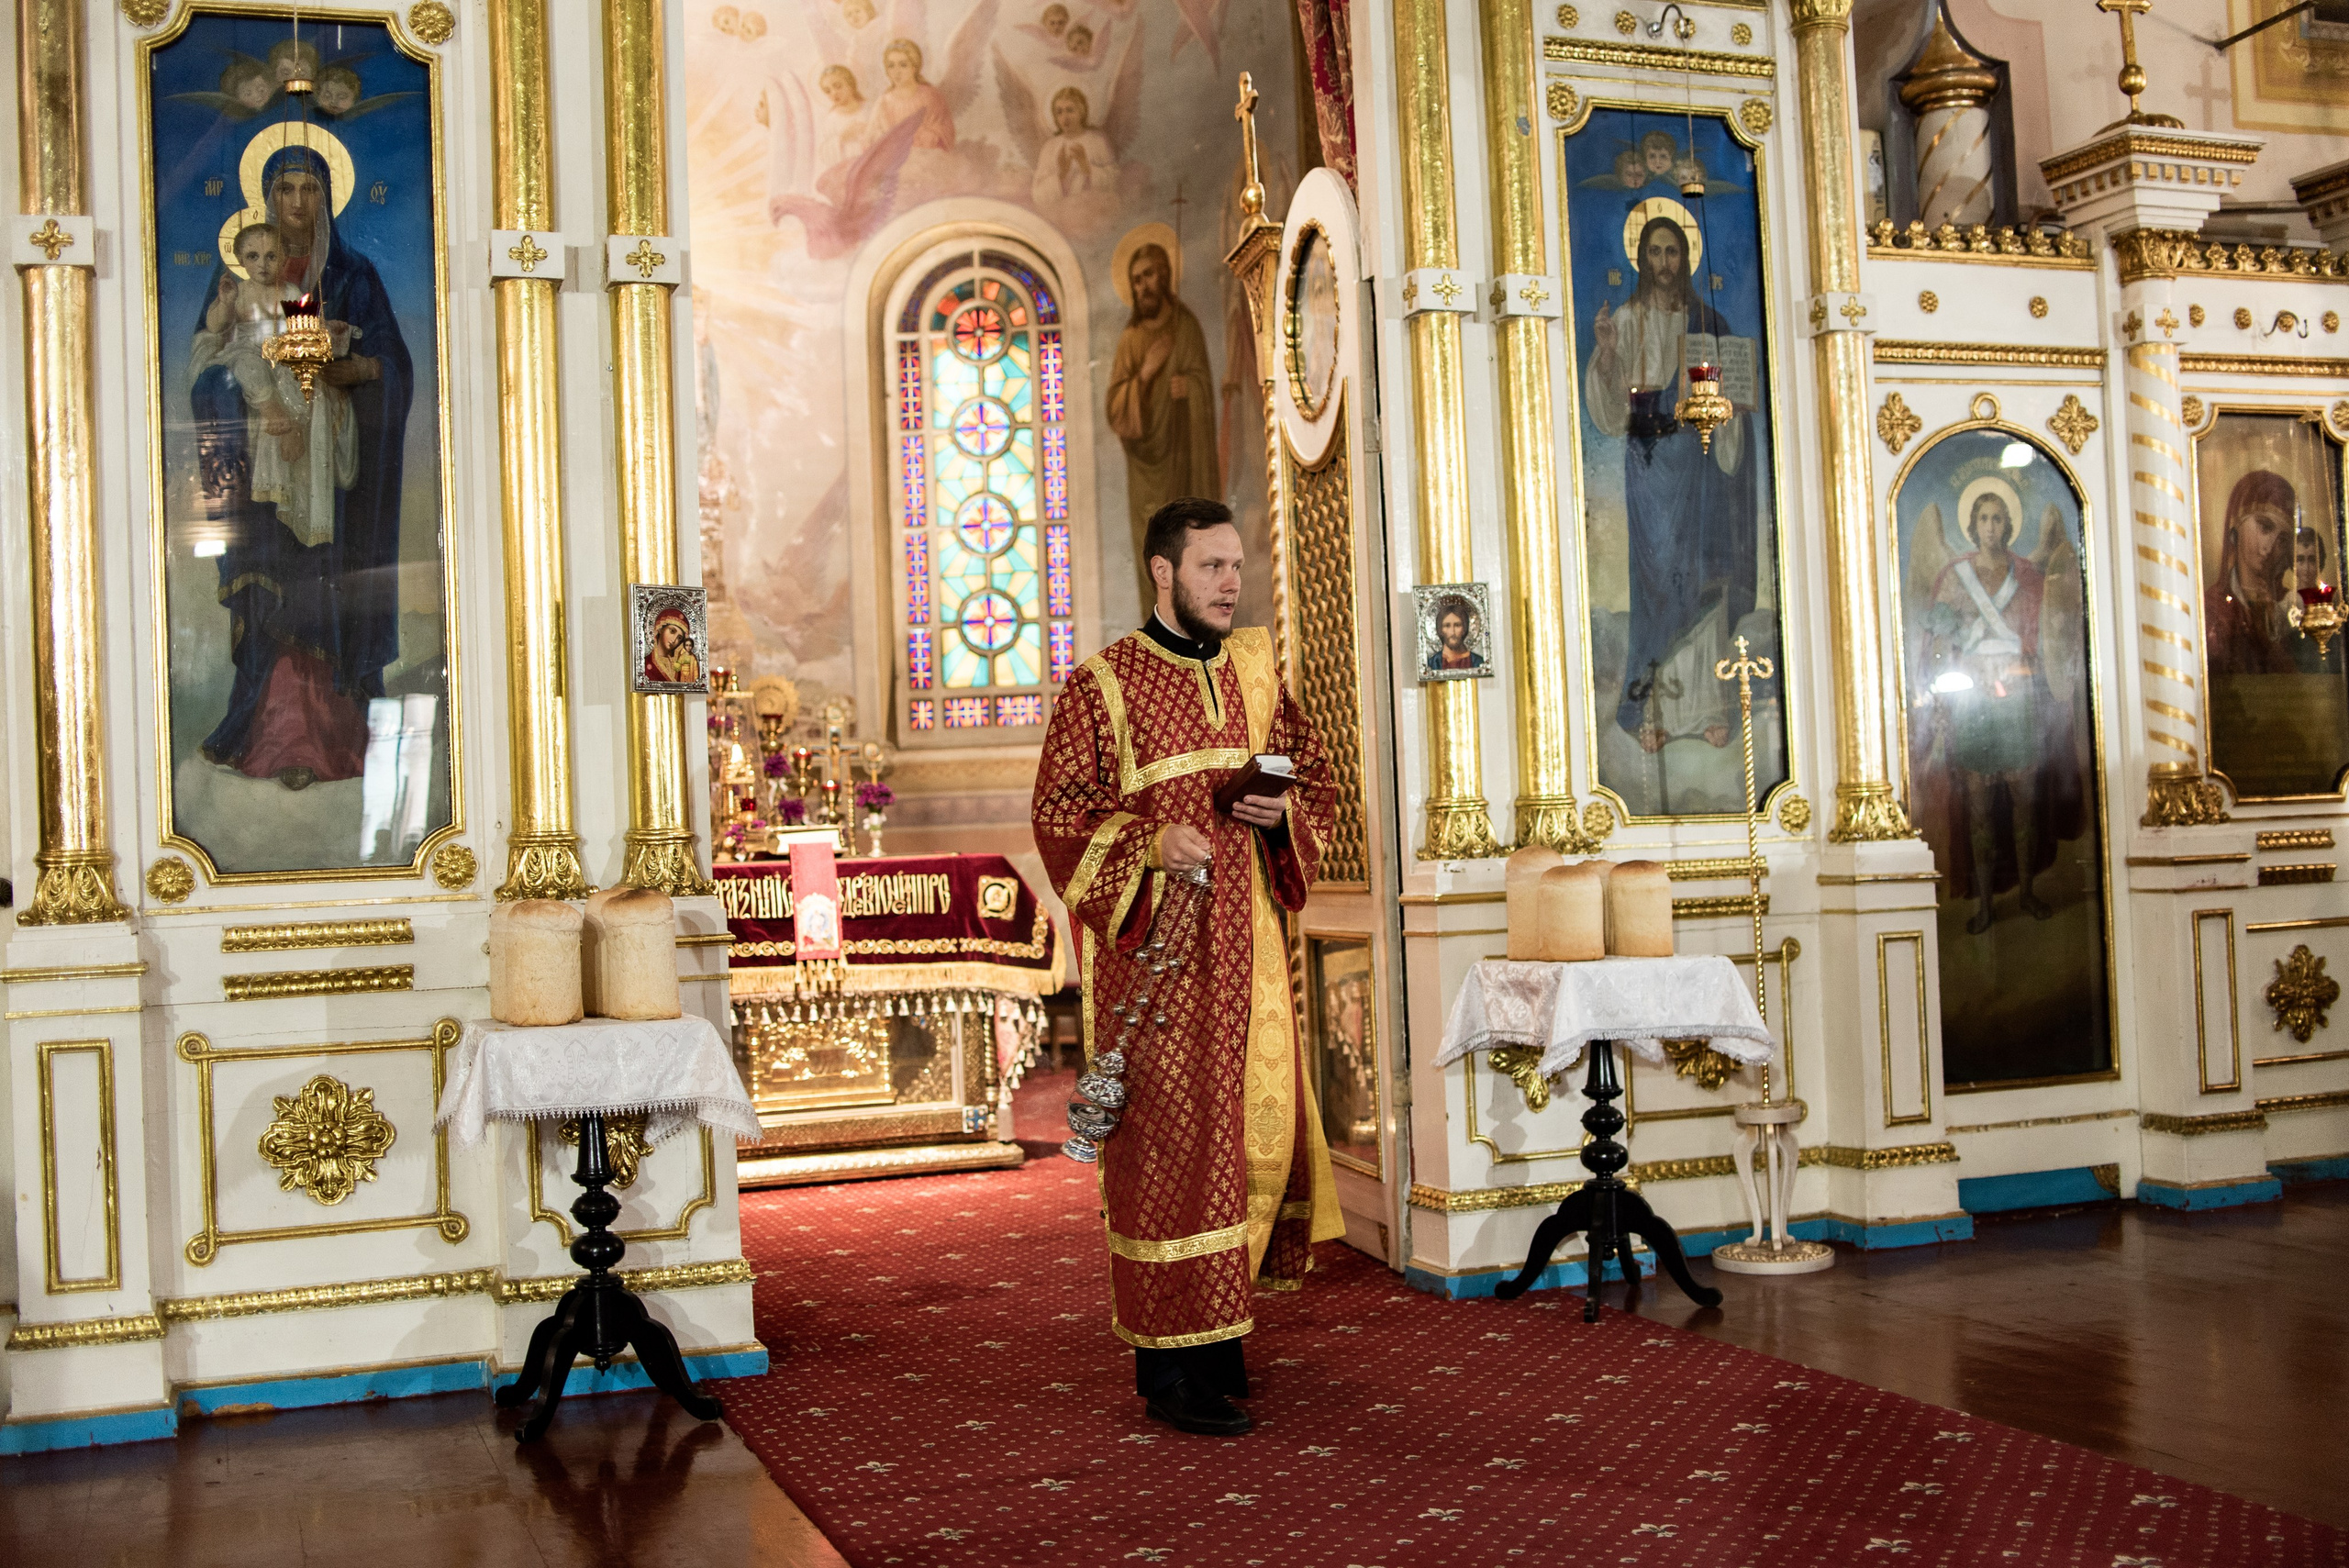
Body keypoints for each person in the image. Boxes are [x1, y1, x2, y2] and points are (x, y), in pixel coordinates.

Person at [1030, 497, 1341, 1439]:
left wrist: (1274, 809)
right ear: (1163, 572)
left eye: (1236, 565)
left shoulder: (1255, 669)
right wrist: (1145, 841)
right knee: (1169, 1153)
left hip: (1250, 960)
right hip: (1157, 968)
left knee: (1243, 1138)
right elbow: (1060, 814)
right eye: (1210, 566)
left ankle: (1221, 1337)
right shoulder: (1103, 684)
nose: (1230, 582)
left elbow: (1312, 773)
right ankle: (1169, 1371)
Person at [190, 139, 415, 792]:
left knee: (327, 593)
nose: (296, 202)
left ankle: (334, 740)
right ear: (266, 199)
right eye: (285, 189)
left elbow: (395, 368)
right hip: (266, 474)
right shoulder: (239, 282)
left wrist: (363, 369)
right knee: (272, 597)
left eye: (309, 189)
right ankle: (273, 736)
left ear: (327, 198)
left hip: (334, 481)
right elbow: (206, 373)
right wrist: (258, 402)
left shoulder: (354, 276)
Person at [1584, 211, 1756, 752]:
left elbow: (1733, 397)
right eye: (1655, 253)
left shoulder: (1708, 322)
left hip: (1697, 459)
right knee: (1659, 582)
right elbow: (1610, 413)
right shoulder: (1628, 319)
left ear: (1685, 259)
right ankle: (1647, 712)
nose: (1664, 263)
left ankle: (1705, 707)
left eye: (1673, 252)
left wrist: (1727, 405)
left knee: (1700, 573)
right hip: (1650, 464)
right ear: (1643, 259)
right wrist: (1608, 351)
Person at [1916, 481, 2078, 933]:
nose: (1991, 527)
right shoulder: (1954, 576)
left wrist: (2022, 661)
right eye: (1983, 518)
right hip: (1973, 703)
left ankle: (2026, 893)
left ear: (2009, 525)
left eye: (1999, 518)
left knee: (2025, 803)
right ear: (1973, 526)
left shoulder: (2027, 574)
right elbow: (1938, 640)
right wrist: (1953, 668)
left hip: (2018, 700)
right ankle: (1986, 904)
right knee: (1980, 808)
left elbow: (2048, 635)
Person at [189, 221, 359, 551]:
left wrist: (325, 329)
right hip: (248, 354)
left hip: (283, 356)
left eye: (271, 257)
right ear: (240, 259)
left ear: (283, 260)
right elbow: (215, 326)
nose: (262, 265)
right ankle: (274, 412)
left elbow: (306, 331)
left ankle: (290, 427)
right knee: (247, 365)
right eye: (253, 257)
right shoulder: (238, 292)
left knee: (304, 382)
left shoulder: (292, 293)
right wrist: (225, 303)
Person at [1107, 243, 1219, 610]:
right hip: (1146, 470)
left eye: (1150, 275)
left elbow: (1204, 387)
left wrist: (1191, 388)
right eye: (1136, 280)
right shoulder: (1131, 341)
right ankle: (1160, 630)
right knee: (1155, 555)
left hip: (1185, 459)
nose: (1143, 286)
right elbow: (1117, 412)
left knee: (1191, 550)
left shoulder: (1184, 328)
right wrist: (1145, 376)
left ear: (1165, 276)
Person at [2205, 470, 2299, 678]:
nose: (2270, 546)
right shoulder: (2211, 607)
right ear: (2235, 526)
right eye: (2265, 527)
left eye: (2282, 539)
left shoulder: (2291, 607)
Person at [1424, 595, 1486, 673]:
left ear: (1464, 628)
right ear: (1440, 629)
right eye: (1447, 625)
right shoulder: (1432, 664)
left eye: (1457, 625)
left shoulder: (1478, 663)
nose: (1452, 632)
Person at [643, 606, 702, 685]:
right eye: (672, 631)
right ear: (660, 628)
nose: (674, 640)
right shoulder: (645, 663)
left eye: (679, 638)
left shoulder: (680, 665)